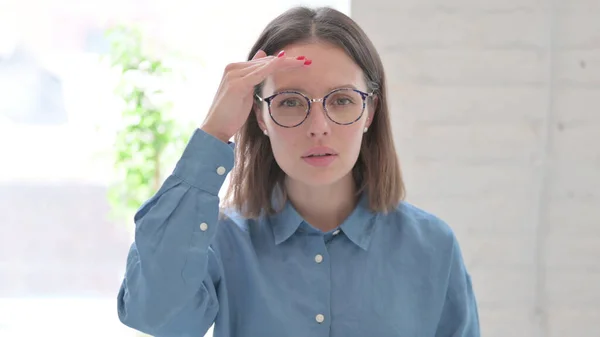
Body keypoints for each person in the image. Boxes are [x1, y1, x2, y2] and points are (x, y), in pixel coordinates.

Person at [116, 6, 480, 337]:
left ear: (369, 112)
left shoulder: (433, 247)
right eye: (290, 102)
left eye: (341, 100)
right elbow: (156, 316)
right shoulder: (221, 242)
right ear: (259, 116)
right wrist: (214, 133)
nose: (318, 126)